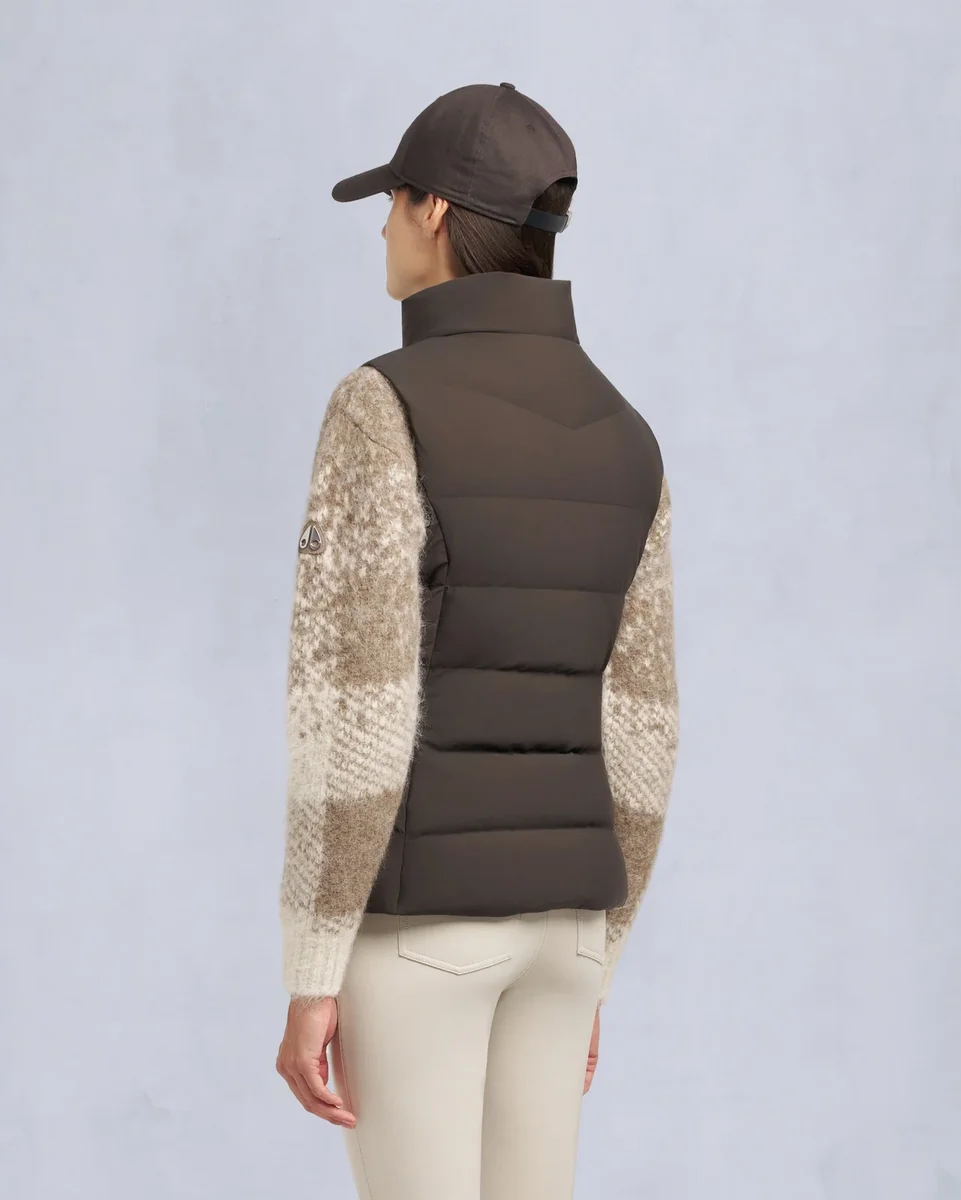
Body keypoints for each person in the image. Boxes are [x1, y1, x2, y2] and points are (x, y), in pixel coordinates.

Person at [274, 81, 680, 1200]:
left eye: (391, 203)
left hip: (422, 934)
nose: (384, 230)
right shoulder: (628, 434)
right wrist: (600, 955)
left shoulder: (380, 406)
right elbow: (645, 735)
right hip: (567, 937)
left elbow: (348, 710)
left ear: (436, 212)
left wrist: (313, 968)